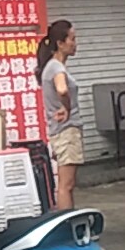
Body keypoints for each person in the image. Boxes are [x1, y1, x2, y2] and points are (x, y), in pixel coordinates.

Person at [37, 19, 82, 210]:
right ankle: (66, 226)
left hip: (62, 132)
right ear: (60, 43)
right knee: (66, 185)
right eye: (72, 39)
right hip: (65, 131)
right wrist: (68, 107)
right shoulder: (56, 67)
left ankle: (69, 224)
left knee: (67, 184)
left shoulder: (53, 67)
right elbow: (62, 90)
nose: (75, 43)